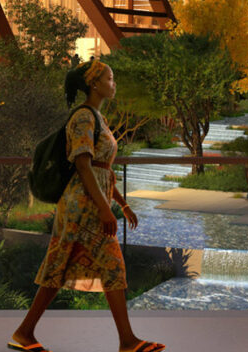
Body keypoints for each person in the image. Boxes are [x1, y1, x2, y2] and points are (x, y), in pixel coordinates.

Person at [11, 60, 161, 352]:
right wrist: (106, 209)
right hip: (82, 206)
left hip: (93, 201)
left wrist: (121, 204)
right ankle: (127, 342)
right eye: (110, 78)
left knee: (65, 265)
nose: (113, 83)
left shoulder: (98, 118)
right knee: (103, 265)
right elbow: (83, 164)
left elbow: (101, 169)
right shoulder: (83, 117)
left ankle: (24, 332)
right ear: (94, 84)